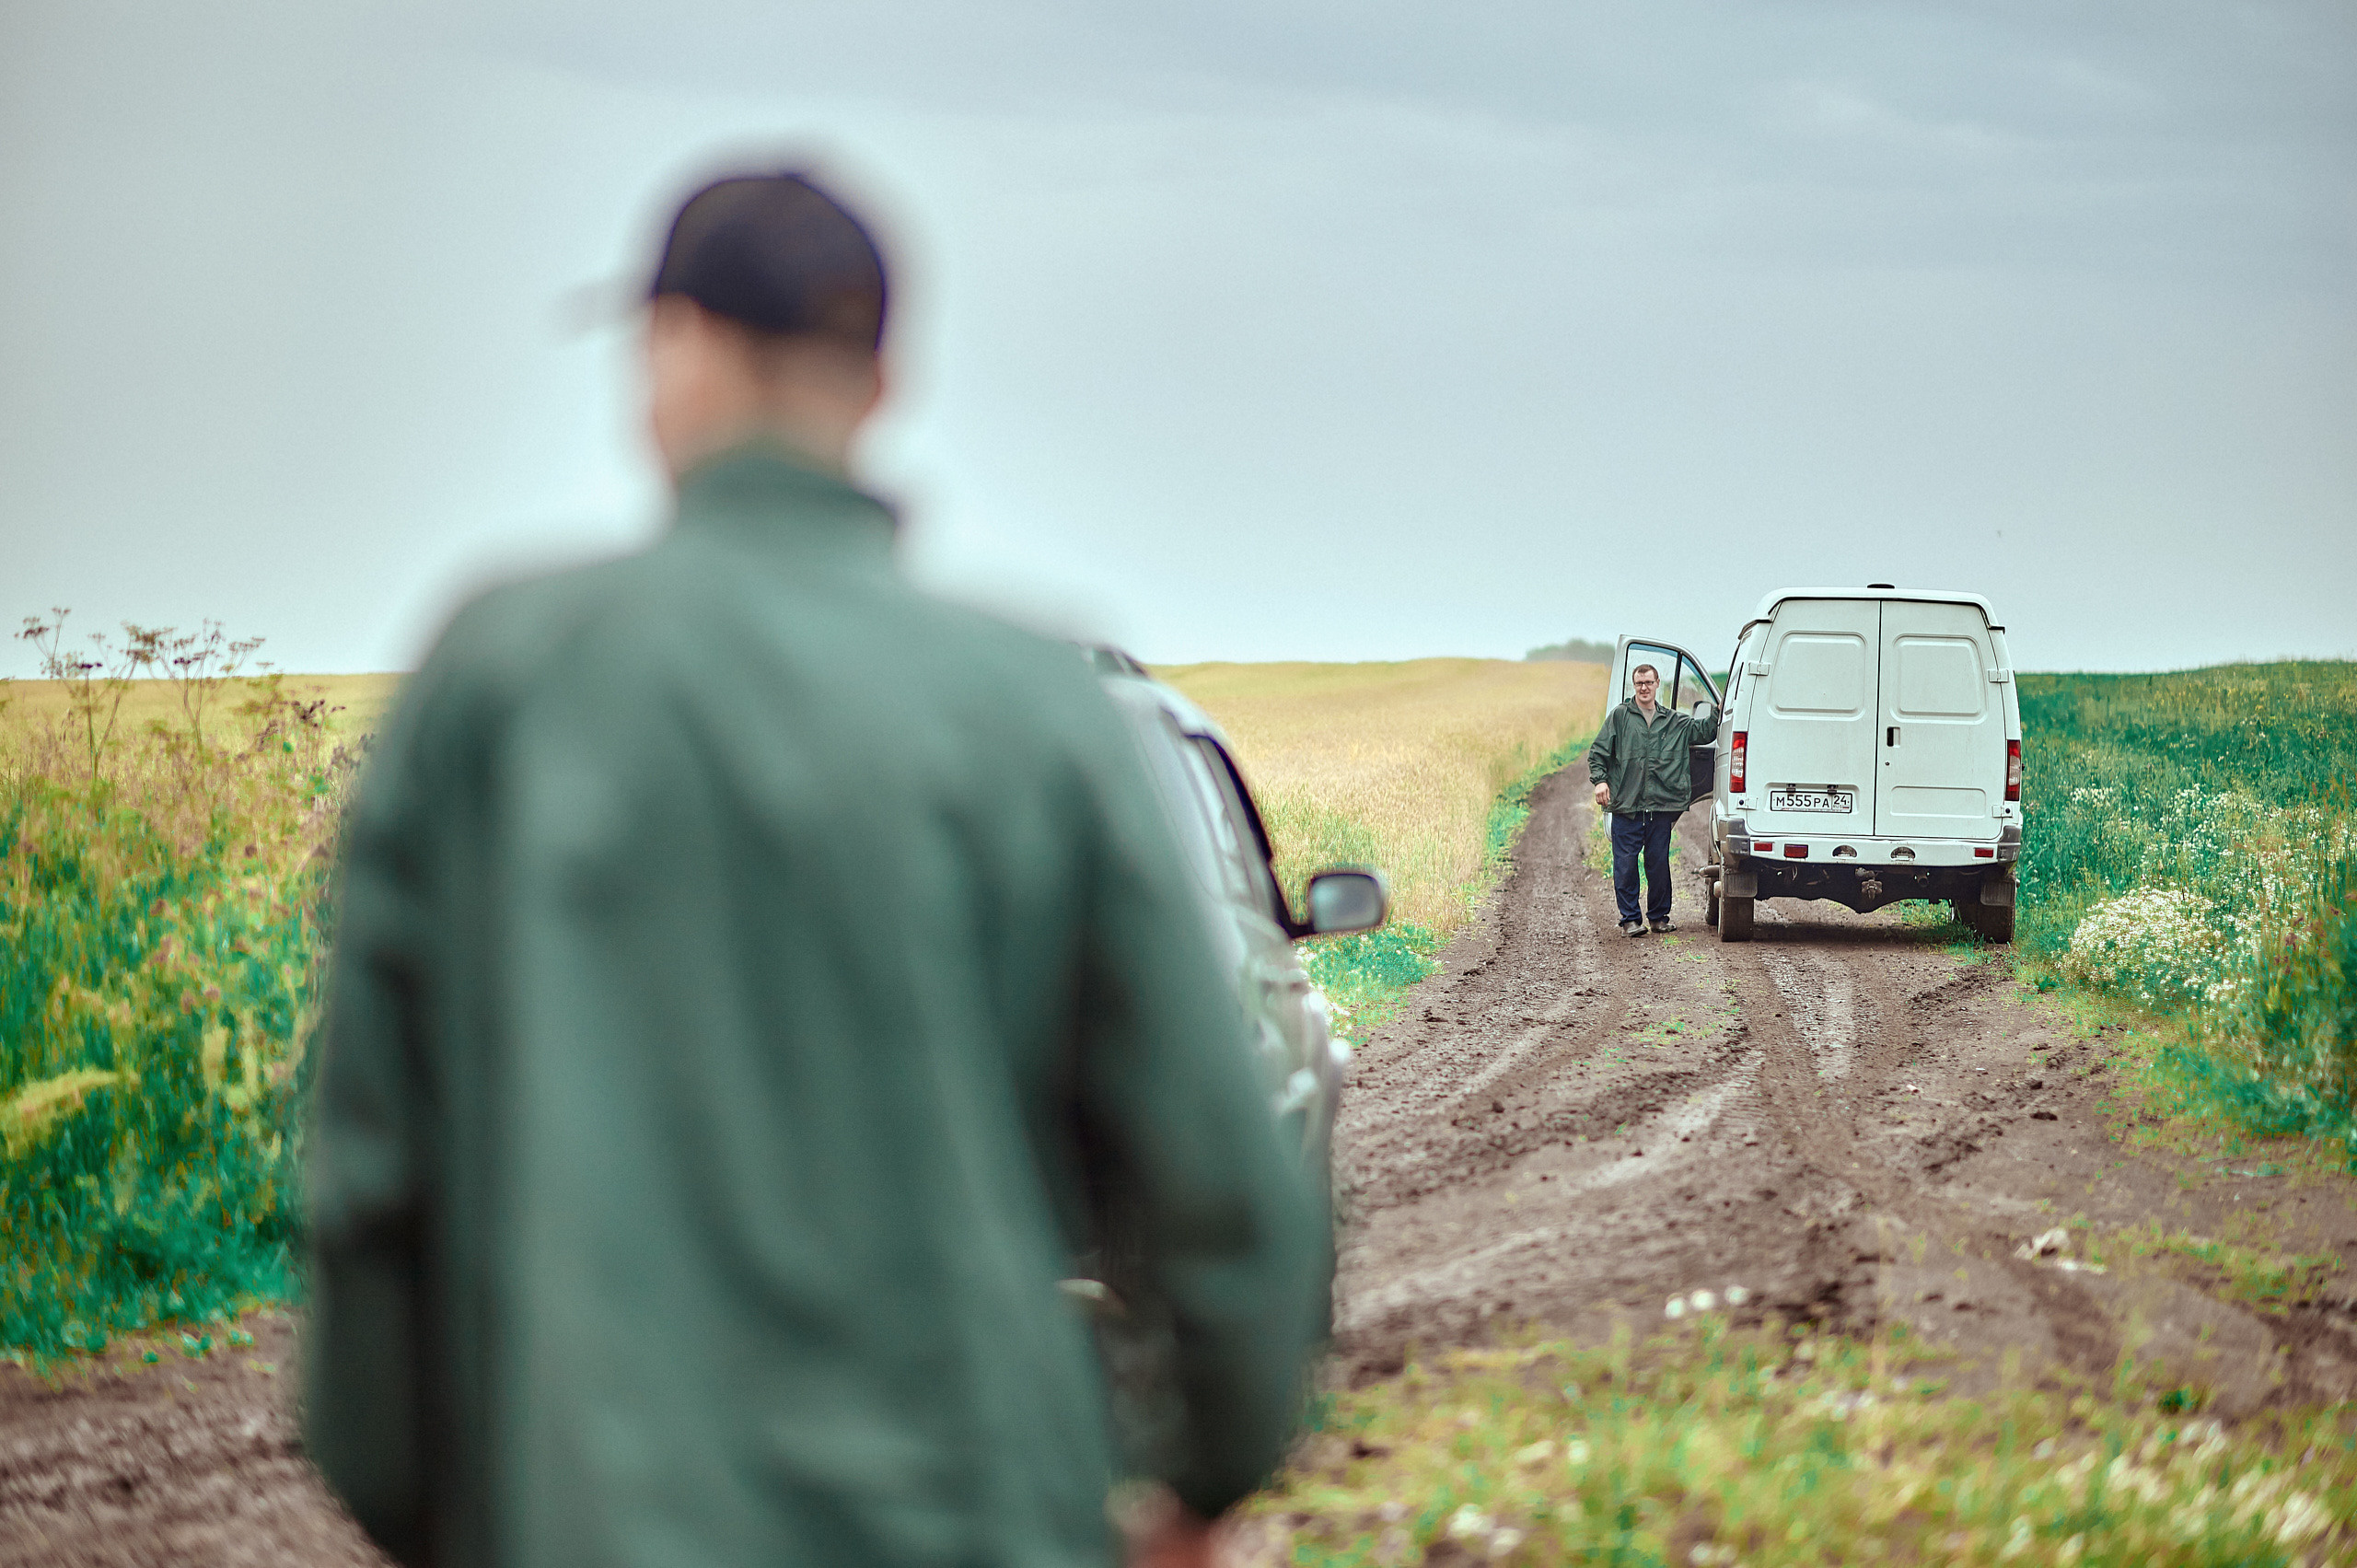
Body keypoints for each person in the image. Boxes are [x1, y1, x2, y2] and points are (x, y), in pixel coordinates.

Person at [305, 168, 1326, 1568]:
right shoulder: (1036, 704)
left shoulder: (497, 681)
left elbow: (371, 1185)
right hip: (986, 1512)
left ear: (676, 345)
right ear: (884, 378)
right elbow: (1227, 1188)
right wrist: (1196, 1477)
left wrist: (441, 1504)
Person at [1587, 662, 1704, 936]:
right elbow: (1598, 753)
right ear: (1633, 685)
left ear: (1657, 684)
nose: (1644, 688)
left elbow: (1704, 731)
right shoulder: (1620, 716)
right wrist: (1600, 781)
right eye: (1639, 683)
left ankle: (1659, 918)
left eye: (1648, 683)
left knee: (1658, 865)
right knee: (1626, 867)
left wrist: (1726, 708)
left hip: (1659, 809)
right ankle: (1630, 919)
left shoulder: (1674, 720)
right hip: (1627, 808)